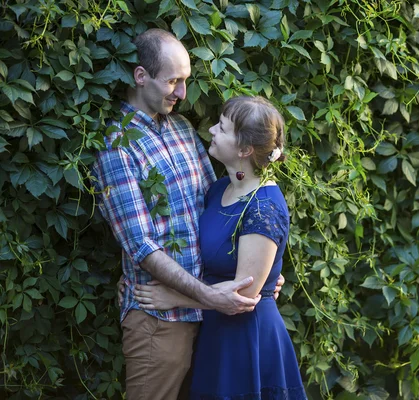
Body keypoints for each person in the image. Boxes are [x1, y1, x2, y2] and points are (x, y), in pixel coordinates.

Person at [91, 29, 283, 400]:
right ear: (141, 76)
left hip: (213, 320)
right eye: (173, 81)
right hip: (161, 319)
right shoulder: (116, 146)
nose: (182, 93)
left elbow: (223, 211)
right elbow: (140, 246)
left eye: (185, 81)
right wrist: (211, 298)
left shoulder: (182, 129)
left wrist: (263, 272)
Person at [133, 96, 307, 399]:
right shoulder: (220, 189)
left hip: (246, 340)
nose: (211, 130)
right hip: (216, 332)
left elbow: (243, 297)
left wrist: (174, 297)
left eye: (222, 128)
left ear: (244, 150)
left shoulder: (263, 208)